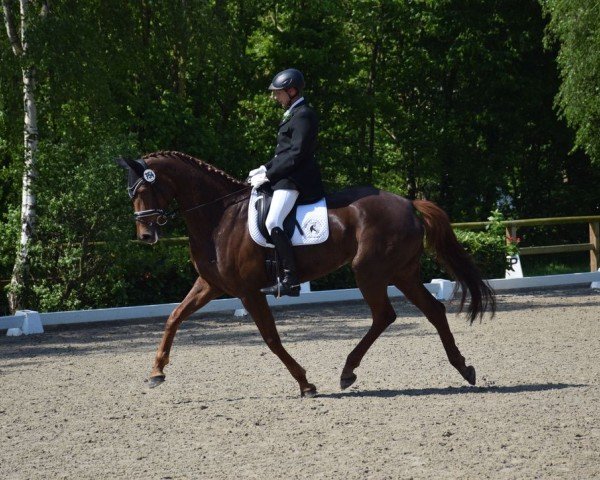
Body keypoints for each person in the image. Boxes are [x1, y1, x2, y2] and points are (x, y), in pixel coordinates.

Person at [248, 68, 325, 297]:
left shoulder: (304, 114)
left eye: (278, 93)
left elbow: (297, 154)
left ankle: (290, 279)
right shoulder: (293, 113)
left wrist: (269, 175)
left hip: (296, 179)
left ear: (291, 91)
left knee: (273, 221)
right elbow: (284, 153)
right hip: (285, 175)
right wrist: (265, 167)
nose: (275, 97)